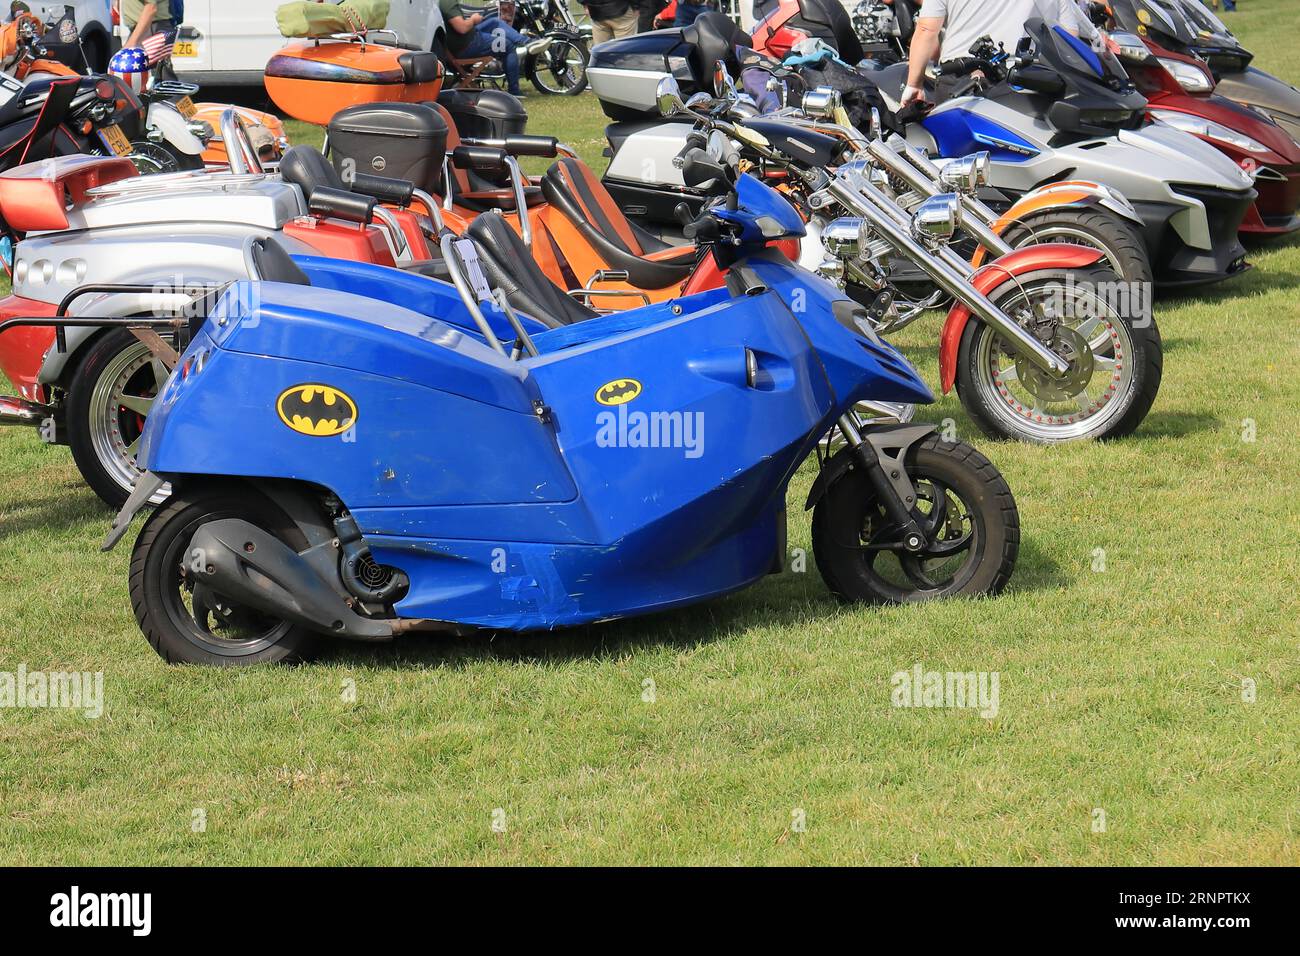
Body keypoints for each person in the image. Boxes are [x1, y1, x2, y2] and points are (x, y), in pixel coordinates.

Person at [901, 0, 1080, 106]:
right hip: (1025, 79)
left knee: (957, 162)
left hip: (960, 77)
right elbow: (1069, 37)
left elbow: (926, 30)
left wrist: (914, 85)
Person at [439, 0, 530, 97]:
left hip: (466, 40)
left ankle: (527, 41)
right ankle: (514, 91)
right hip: (468, 45)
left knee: (495, 22)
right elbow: (462, 28)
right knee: (508, 46)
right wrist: (473, 19)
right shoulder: (447, 2)